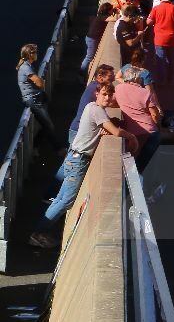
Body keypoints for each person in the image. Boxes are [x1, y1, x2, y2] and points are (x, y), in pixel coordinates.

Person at [29, 83, 135, 249]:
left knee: (59, 200)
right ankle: (37, 234)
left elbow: (99, 128)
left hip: (73, 157)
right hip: (78, 161)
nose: (107, 98)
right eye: (104, 94)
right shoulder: (97, 111)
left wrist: (104, 128)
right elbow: (116, 132)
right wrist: (132, 137)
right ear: (97, 93)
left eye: (109, 95)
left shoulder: (91, 107)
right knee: (66, 201)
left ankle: (38, 232)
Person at [113, 65, 164, 170]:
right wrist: (159, 125)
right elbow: (155, 115)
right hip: (149, 132)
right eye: (140, 77)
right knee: (149, 164)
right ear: (136, 78)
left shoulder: (118, 89)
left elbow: (113, 102)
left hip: (132, 133)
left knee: (133, 163)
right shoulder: (145, 93)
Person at [16, 44, 63, 152]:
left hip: (36, 98)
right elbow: (39, 83)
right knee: (48, 125)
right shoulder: (26, 67)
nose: (37, 54)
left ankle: (36, 146)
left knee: (46, 124)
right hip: (33, 100)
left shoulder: (27, 65)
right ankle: (58, 149)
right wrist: (40, 82)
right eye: (35, 52)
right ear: (30, 54)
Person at [145, 0, 174, 87]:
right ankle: (170, 79)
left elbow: (148, 22)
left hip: (160, 39)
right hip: (173, 38)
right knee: (171, 59)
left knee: (160, 60)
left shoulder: (156, 8)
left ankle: (161, 81)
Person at [83, 3, 114, 74]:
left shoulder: (100, 16)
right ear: (108, 11)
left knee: (90, 57)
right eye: (112, 10)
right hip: (92, 39)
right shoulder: (102, 17)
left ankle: (84, 72)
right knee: (89, 58)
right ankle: (81, 73)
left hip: (90, 38)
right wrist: (117, 12)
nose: (112, 11)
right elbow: (114, 19)